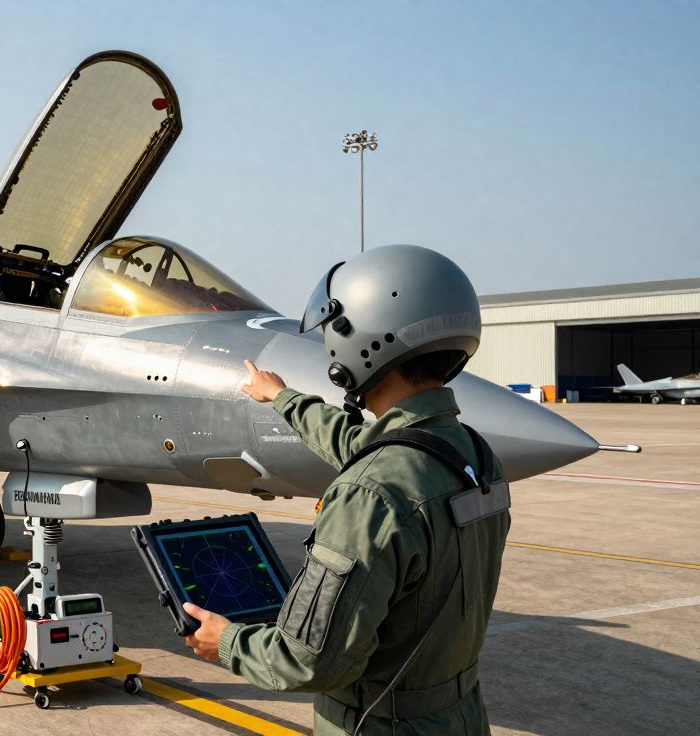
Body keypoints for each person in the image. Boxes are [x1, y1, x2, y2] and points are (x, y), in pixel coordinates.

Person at [182, 245, 511, 735]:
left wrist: (227, 641)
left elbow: (309, 662)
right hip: (460, 718)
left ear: (363, 339)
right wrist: (282, 398)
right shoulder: (473, 456)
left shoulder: (369, 494)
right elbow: (358, 444)